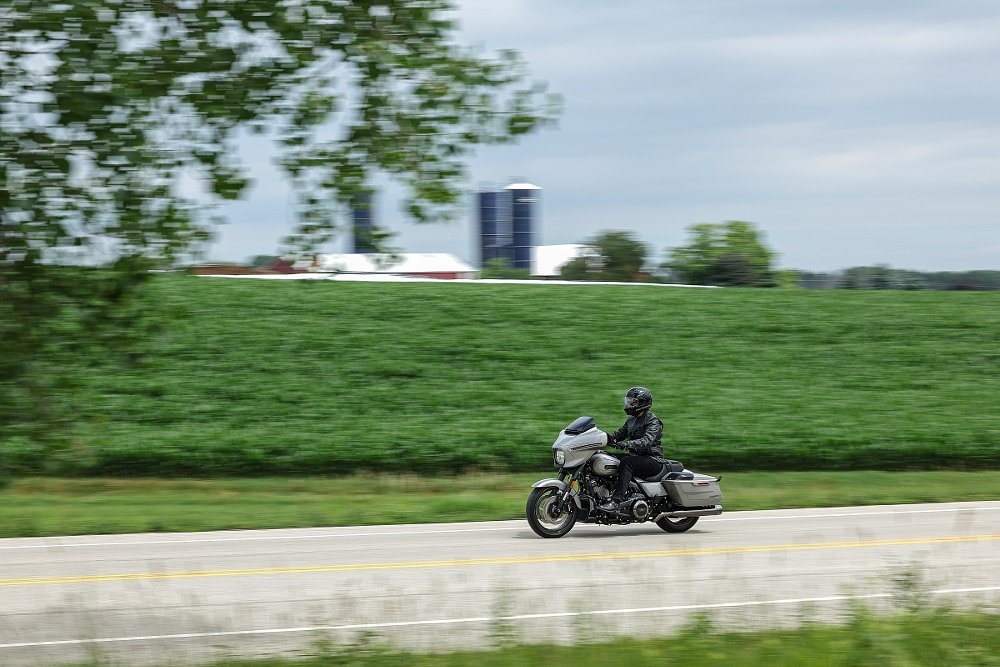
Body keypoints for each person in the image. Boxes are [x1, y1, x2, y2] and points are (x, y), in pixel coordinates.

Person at [600, 386, 667, 509]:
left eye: (633, 402)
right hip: (637, 457)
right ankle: (603, 495)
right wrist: (600, 437)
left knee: (627, 462)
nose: (629, 404)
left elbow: (647, 441)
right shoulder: (631, 421)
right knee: (604, 456)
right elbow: (617, 436)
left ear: (643, 403)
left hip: (653, 459)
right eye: (629, 401)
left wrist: (626, 444)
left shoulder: (653, 421)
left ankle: (616, 500)